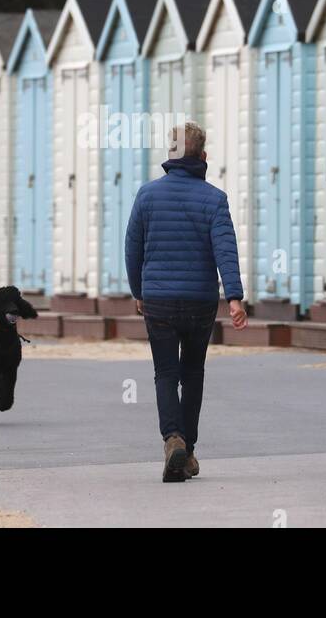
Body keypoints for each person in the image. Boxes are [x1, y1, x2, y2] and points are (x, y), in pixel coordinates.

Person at [124, 120, 247, 483]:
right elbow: (226, 250)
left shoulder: (147, 195)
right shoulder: (215, 199)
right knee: (192, 374)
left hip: (158, 299)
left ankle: (173, 439)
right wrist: (235, 297)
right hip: (199, 301)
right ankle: (187, 450)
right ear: (203, 156)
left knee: (165, 373)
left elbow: (132, 248)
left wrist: (139, 292)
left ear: (170, 154)